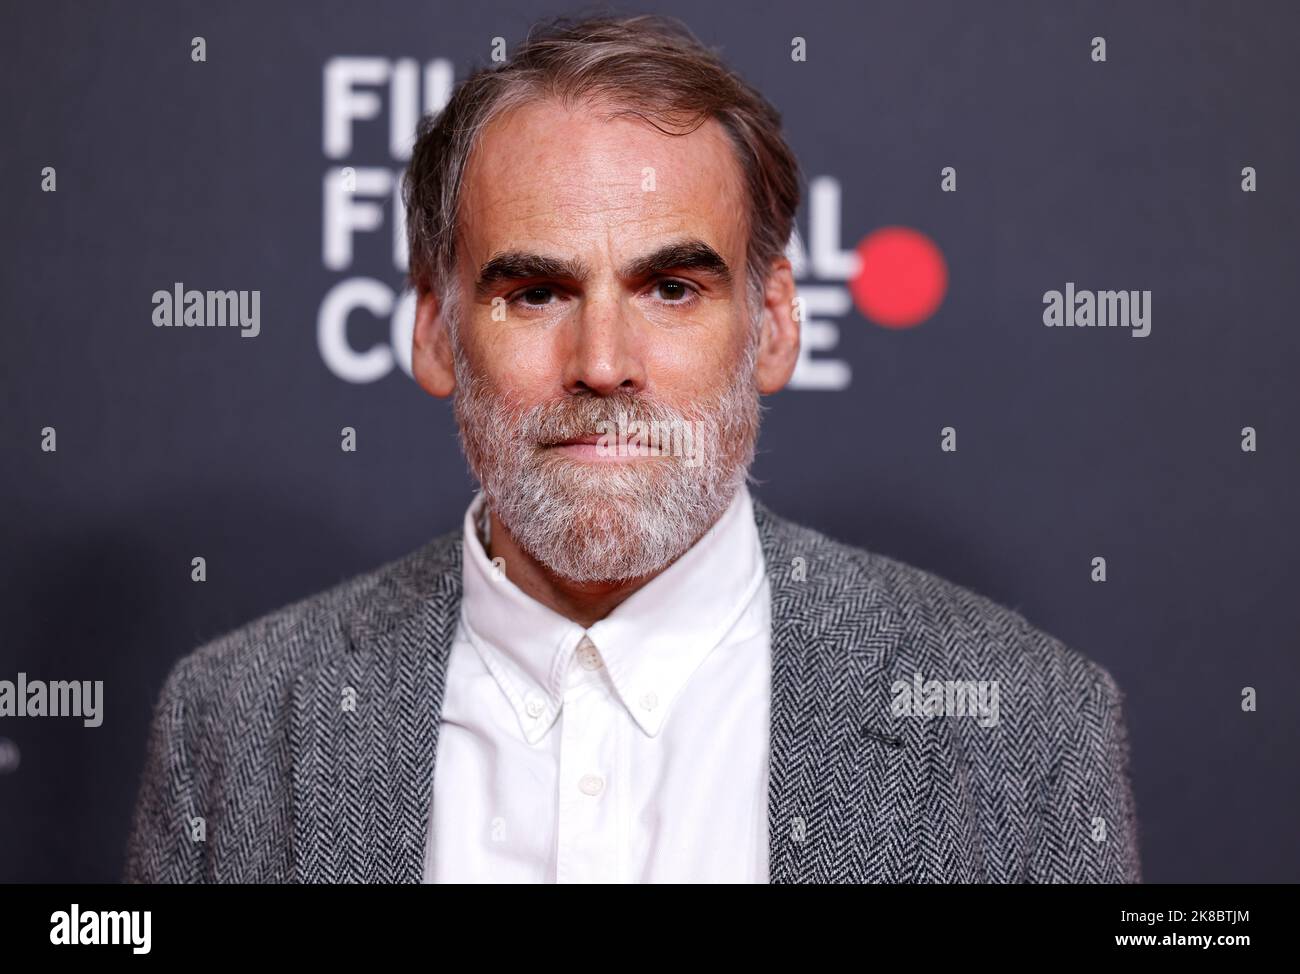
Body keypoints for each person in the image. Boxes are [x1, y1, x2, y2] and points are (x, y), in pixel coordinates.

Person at [125, 13, 1140, 883]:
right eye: (535, 293)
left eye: (670, 289)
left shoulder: (1026, 722)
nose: (603, 364)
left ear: (775, 325)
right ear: (436, 333)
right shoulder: (235, 720)